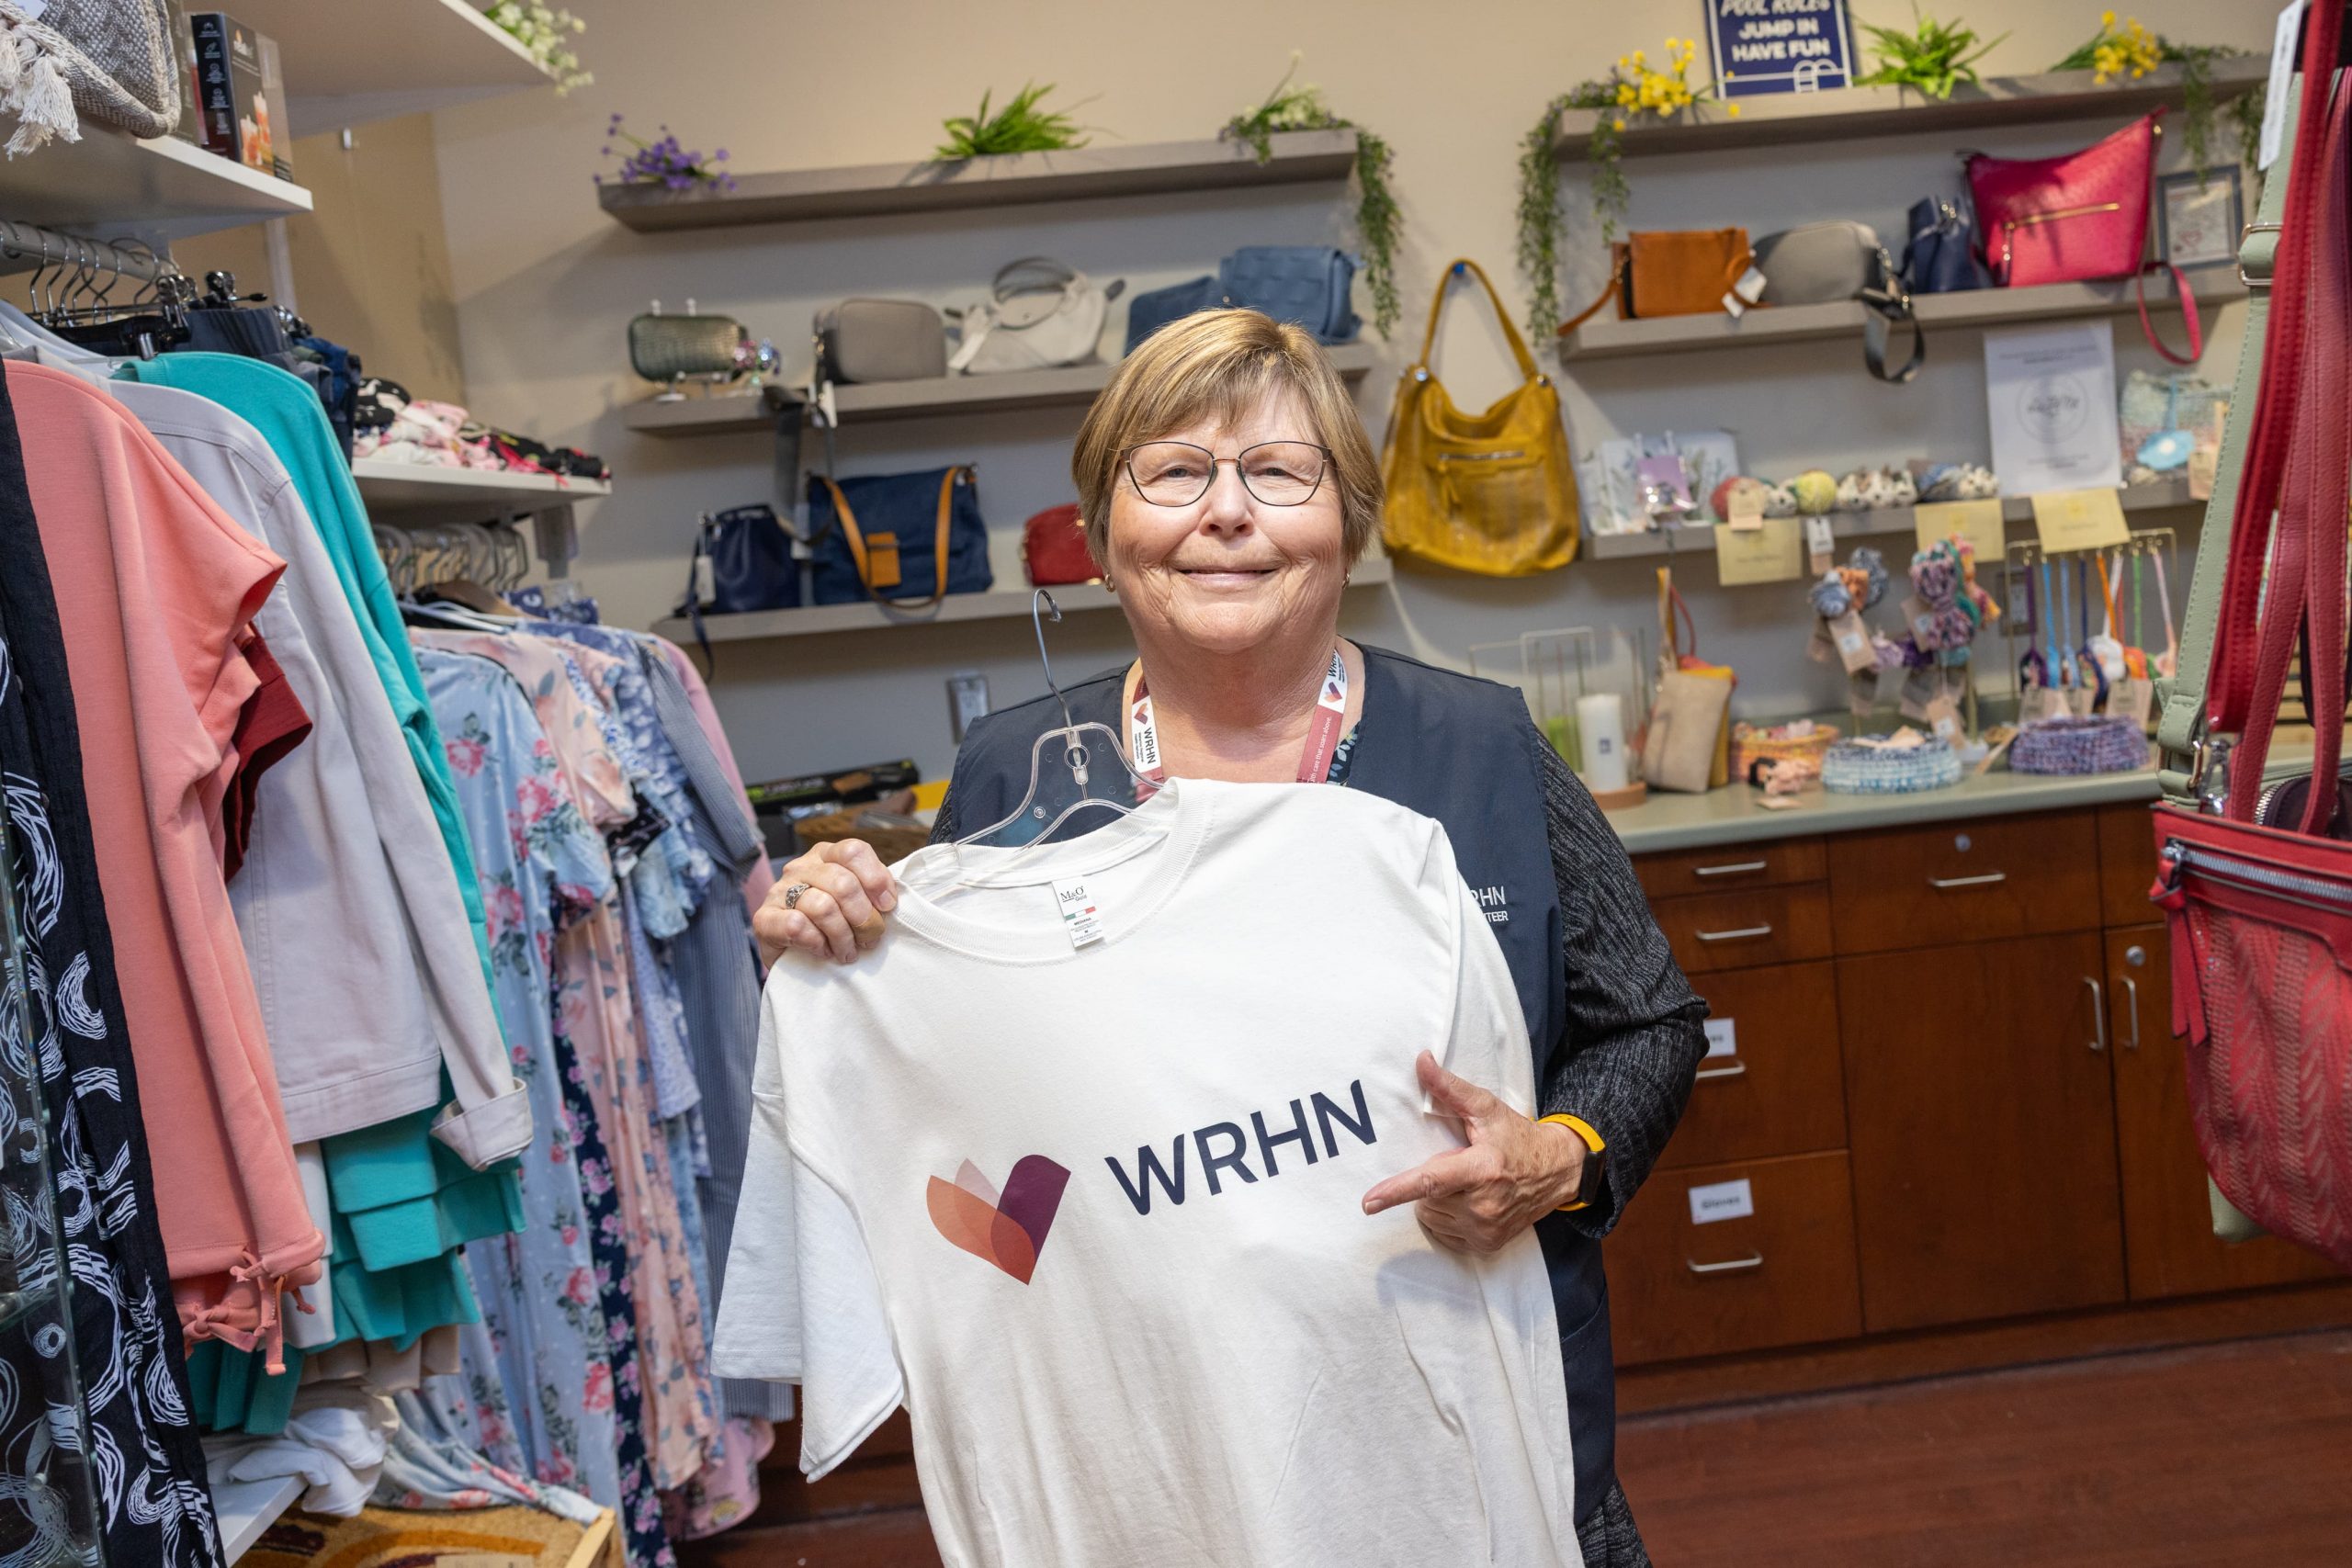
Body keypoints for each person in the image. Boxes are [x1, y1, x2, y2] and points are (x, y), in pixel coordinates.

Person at [752, 308, 1708, 1566]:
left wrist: (1560, 1154)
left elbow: (1650, 1022)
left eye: (1279, 473)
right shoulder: (1013, 780)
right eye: (1174, 474)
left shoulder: (1479, 750)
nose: (1227, 514)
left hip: (1475, 1445)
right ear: (1102, 540)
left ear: (1348, 526)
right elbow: (965, 1119)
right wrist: (838, 940)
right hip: (1161, 1482)